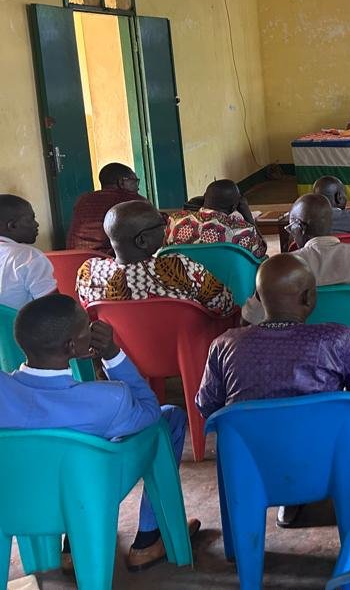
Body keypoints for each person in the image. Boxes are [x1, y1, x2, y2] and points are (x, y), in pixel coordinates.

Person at [0, 295, 199, 571]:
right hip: (87, 494)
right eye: (87, 328)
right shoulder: (107, 400)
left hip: (15, 502)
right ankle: (148, 537)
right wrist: (113, 354)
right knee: (170, 418)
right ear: (72, 346)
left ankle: (70, 546)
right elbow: (150, 411)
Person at [197, 253, 350, 527]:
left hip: (251, 465)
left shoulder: (224, 345)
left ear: (258, 300)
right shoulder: (338, 339)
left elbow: (207, 406)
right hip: (326, 460)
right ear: (309, 298)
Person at [241, 194, 350, 323]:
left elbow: (249, 318)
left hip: (304, 350)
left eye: (290, 228)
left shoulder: (281, 268)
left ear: (300, 228)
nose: (291, 233)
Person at [76, 200, 235, 316]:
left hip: (119, 356)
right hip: (185, 352)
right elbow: (226, 306)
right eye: (162, 223)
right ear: (142, 241)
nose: (166, 228)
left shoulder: (88, 272)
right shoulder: (178, 267)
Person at [163, 179, 267, 258]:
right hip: (225, 283)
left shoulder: (175, 219)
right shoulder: (243, 230)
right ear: (235, 206)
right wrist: (248, 216)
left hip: (185, 281)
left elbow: (165, 248)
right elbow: (260, 253)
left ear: (204, 197)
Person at [66, 162, 147, 255]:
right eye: (134, 181)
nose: (138, 187)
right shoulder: (133, 200)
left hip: (75, 260)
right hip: (108, 262)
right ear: (121, 182)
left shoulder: (83, 199)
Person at [0, 195, 56, 309]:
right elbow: (53, 309)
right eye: (31, 219)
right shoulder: (29, 257)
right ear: (12, 225)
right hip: (15, 326)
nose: (36, 224)